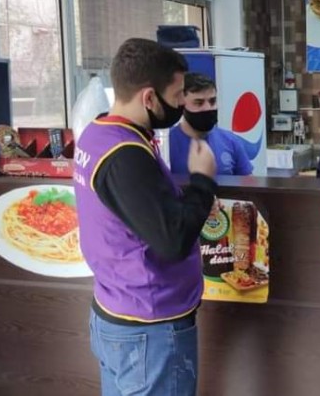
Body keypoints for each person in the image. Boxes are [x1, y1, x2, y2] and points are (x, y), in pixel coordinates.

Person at [73, 38, 217, 396]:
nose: (184, 103)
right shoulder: (125, 154)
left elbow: (135, 211)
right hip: (150, 327)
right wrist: (202, 181)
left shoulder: (97, 134)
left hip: (118, 312)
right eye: (179, 94)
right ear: (149, 98)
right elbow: (172, 240)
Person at [169, 72, 253, 176]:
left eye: (212, 101)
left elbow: (249, 186)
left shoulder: (231, 141)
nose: (207, 108)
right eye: (199, 103)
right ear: (182, 103)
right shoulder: (167, 144)